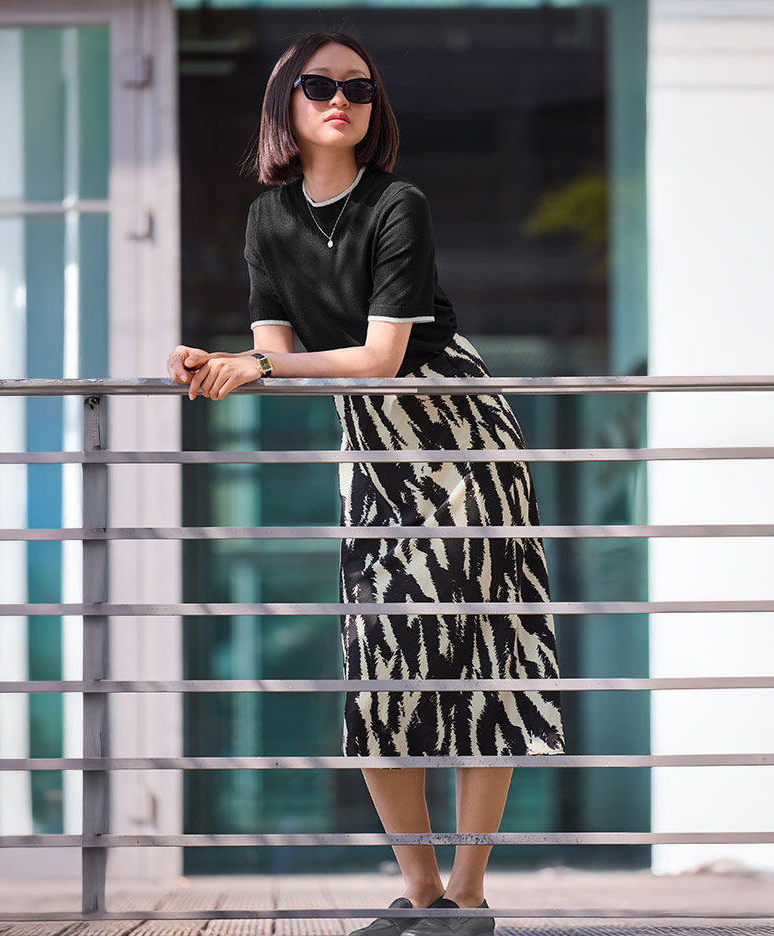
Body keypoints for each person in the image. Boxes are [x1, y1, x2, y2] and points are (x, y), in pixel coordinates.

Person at [166, 30, 566, 936]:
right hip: (374, 448)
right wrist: (222, 363)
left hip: (459, 439)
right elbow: (276, 352)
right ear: (286, 105)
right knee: (377, 662)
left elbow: (384, 357)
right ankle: (418, 893)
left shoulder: (400, 204)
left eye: (359, 88)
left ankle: (467, 896)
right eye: (317, 84)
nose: (340, 98)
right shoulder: (267, 218)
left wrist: (262, 370)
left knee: (478, 662)